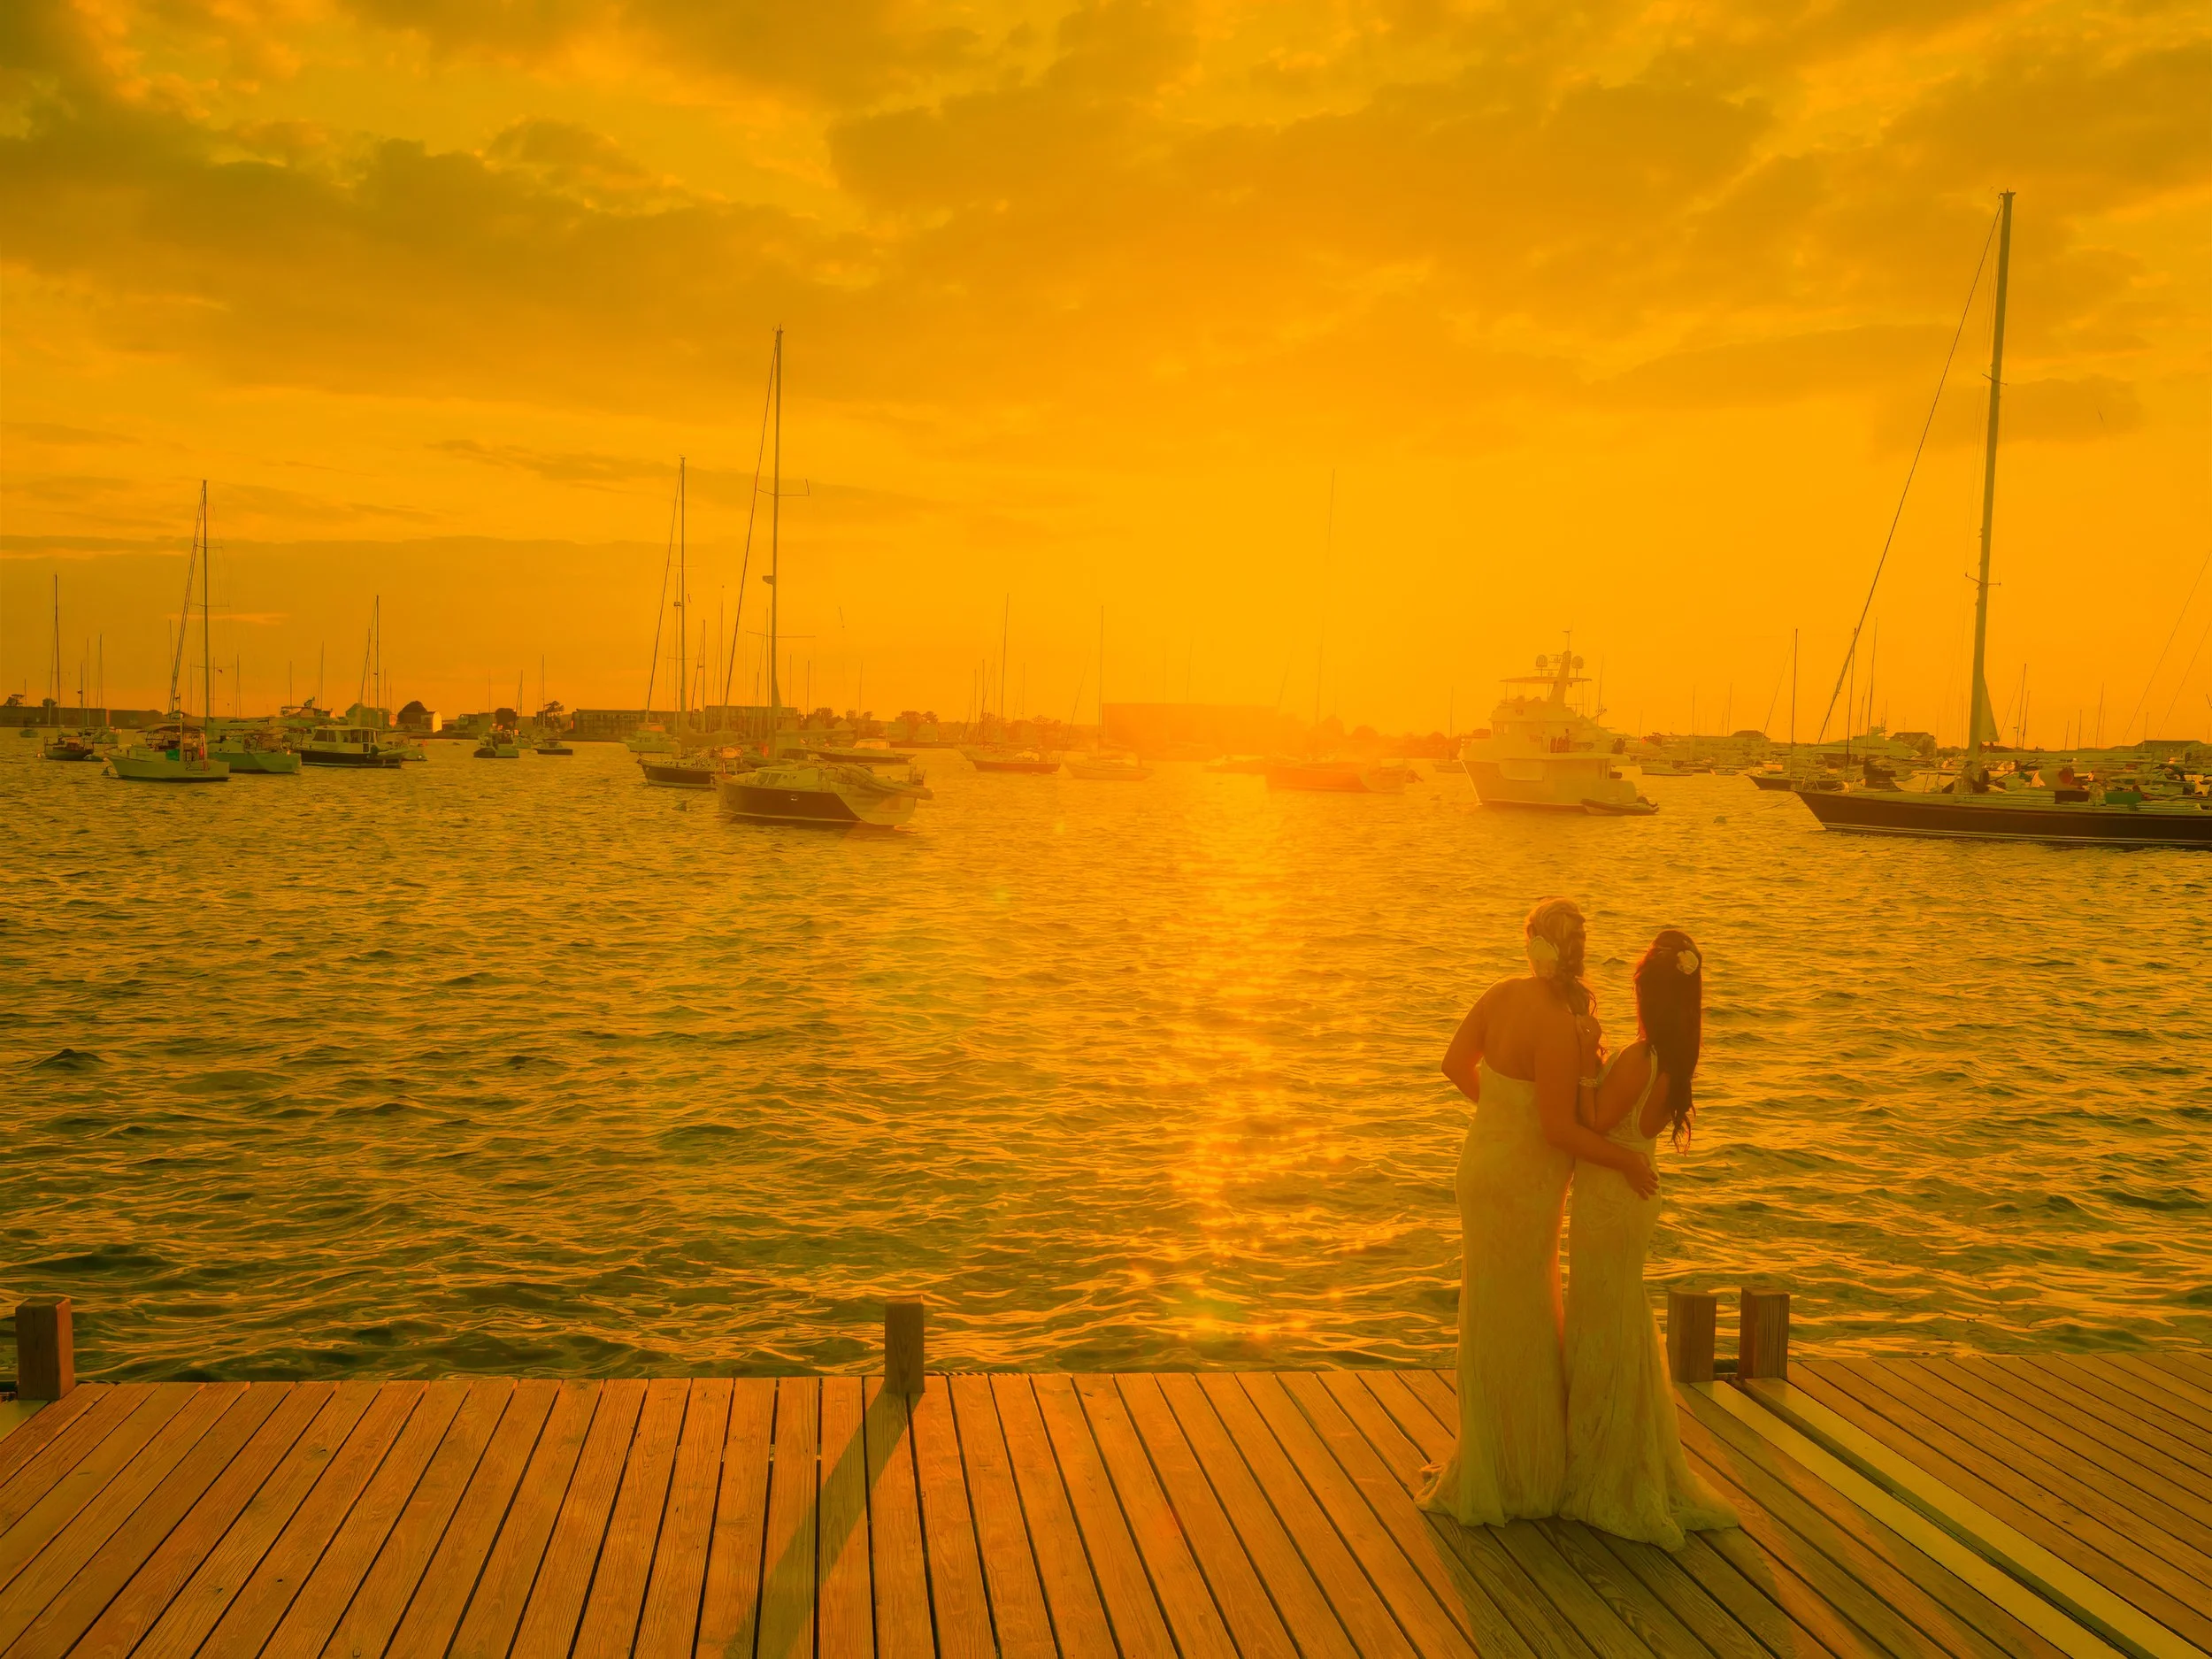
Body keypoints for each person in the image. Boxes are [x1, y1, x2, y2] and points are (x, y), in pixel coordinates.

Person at [1421, 898, 1661, 1526]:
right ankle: (1522, 1471)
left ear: (1532, 946)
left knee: (1491, 1311)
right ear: (1575, 952)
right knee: (1524, 1314)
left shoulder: (1500, 993)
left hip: (1480, 1168)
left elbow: (1454, 1065)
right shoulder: (1559, 1023)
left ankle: (1488, 1452)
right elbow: (1559, 1130)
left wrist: (1502, 1115)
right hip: (1525, 1182)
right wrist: (1624, 1159)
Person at [1559, 928, 1740, 1548]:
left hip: (1611, 1196)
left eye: (1638, 990)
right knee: (1620, 1315)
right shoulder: (1677, 1058)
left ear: (1653, 998)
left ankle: (1600, 1456)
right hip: (1635, 1194)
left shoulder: (1641, 1056)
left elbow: (1593, 1122)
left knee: (1598, 1317)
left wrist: (1586, 1058)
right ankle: (1619, 1442)